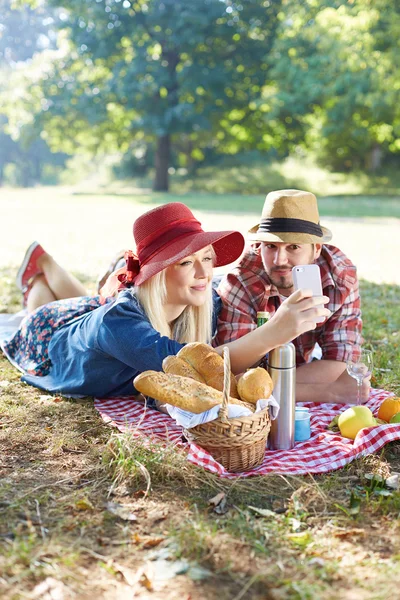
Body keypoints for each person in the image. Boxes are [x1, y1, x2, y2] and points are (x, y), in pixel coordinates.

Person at [2, 202, 330, 400]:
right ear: (158, 274)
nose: (204, 272)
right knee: (36, 313)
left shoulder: (204, 298)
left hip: (106, 315)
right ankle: (41, 269)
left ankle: (43, 269)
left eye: (207, 258)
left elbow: (247, 282)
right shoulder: (119, 324)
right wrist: (275, 331)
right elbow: (190, 368)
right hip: (51, 338)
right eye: (187, 262)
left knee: (94, 300)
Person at [214, 189, 370, 405]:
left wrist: (263, 388)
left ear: (316, 249)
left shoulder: (340, 277)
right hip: (255, 361)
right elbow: (228, 377)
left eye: (293, 247)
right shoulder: (241, 281)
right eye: (271, 246)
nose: (280, 260)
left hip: (289, 369)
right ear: (260, 246)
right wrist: (329, 392)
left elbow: (339, 362)